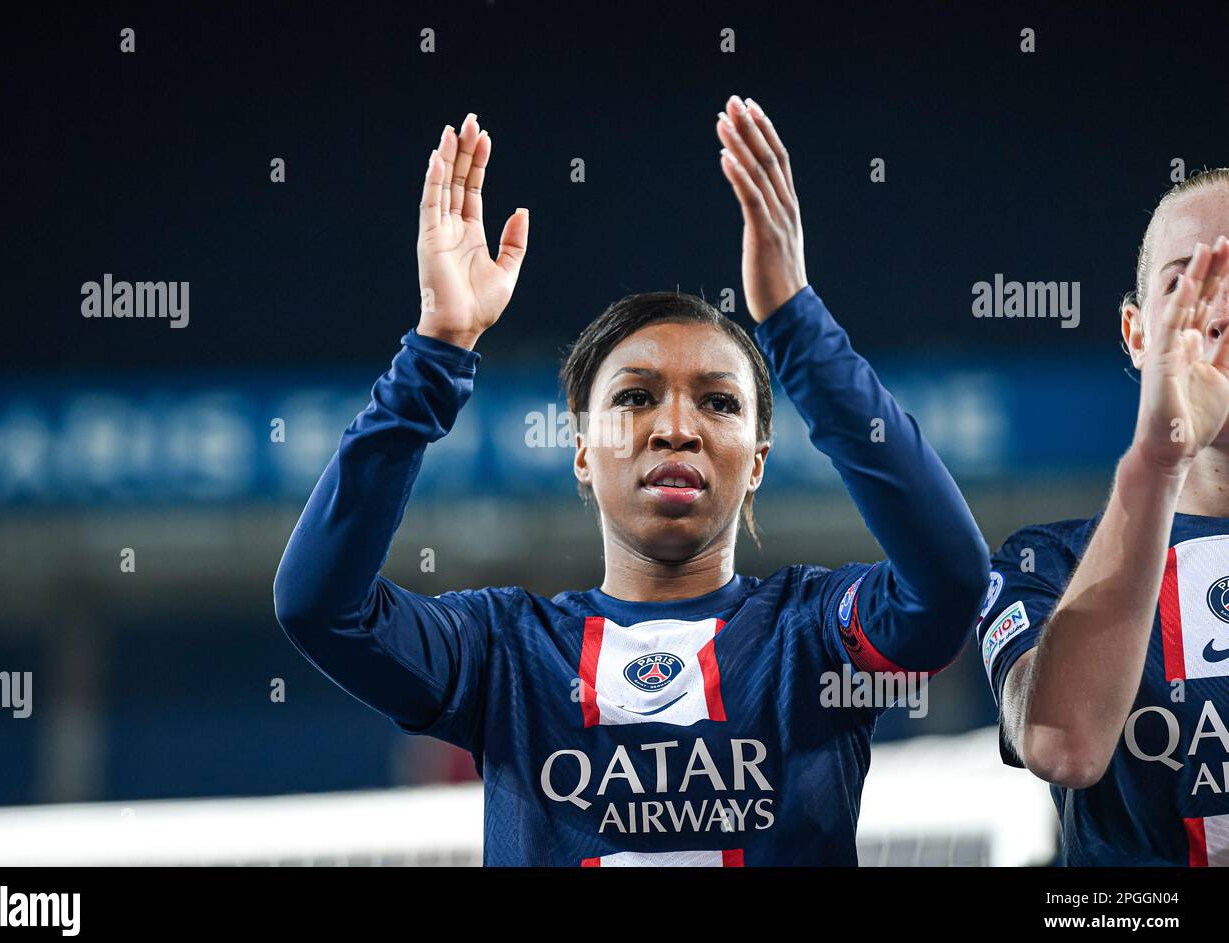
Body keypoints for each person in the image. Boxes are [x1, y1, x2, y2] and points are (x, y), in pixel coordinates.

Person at [273, 96, 989, 866]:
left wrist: (795, 325)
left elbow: (948, 582)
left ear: (757, 460)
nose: (675, 427)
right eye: (635, 397)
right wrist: (436, 350)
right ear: (582, 451)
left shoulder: (814, 636)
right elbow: (322, 609)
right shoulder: (503, 653)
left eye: (718, 402)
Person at [979, 169, 1229, 866]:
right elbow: (1065, 746)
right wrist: (1159, 458)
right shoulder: (1043, 565)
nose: (1220, 308)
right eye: (1186, 282)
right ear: (1135, 333)